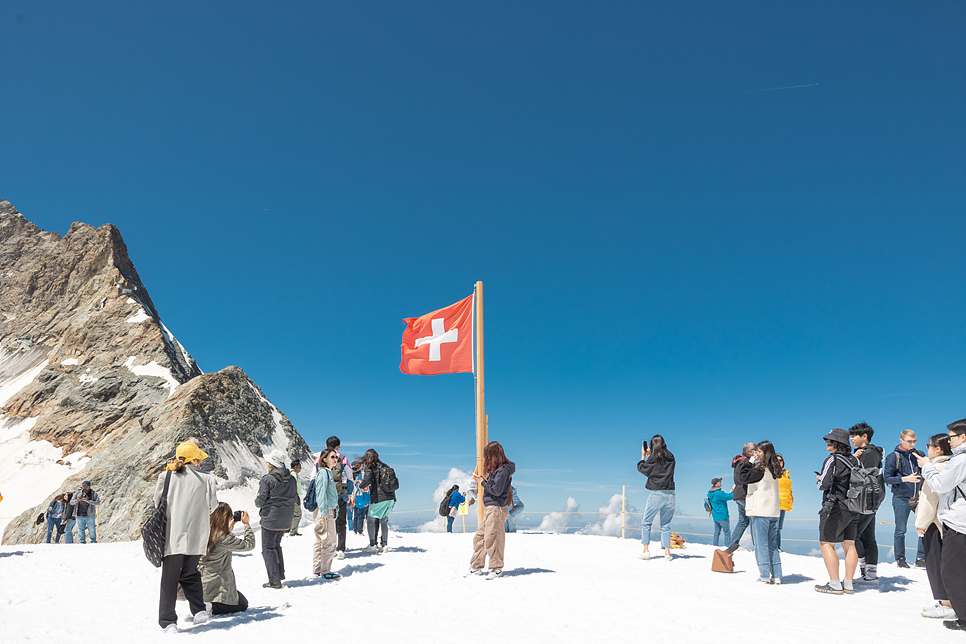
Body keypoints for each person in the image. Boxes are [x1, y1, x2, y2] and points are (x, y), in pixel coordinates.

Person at [155, 440, 219, 633]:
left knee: (170, 579)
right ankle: (199, 610)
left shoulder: (165, 476)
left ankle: (168, 622)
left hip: (173, 535)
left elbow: (158, 502)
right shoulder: (207, 479)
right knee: (190, 573)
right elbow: (213, 506)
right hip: (197, 536)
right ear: (195, 460)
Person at [917, 418, 966, 632]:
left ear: (963, 437)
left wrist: (927, 467)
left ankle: (962, 617)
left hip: (958, 524)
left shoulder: (960, 460)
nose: (951, 441)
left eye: (953, 437)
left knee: (951, 572)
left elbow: (939, 485)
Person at [814, 428, 860, 595]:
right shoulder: (855, 461)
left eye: (830, 440)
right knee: (850, 544)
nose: (827, 442)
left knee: (826, 543)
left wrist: (818, 480)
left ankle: (834, 584)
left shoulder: (832, 459)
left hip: (835, 506)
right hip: (854, 507)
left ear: (838, 443)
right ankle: (848, 583)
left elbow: (823, 485)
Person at [915, 433, 954, 619]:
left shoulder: (934, 468)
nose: (928, 449)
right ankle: (951, 602)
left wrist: (921, 523)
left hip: (933, 523)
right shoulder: (951, 466)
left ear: (937, 449)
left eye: (929, 445)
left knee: (934, 562)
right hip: (949, 523)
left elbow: (929, 500)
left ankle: (945, 604)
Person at [467, 441, 515, 579]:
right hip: (491, 508)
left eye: (488, 456)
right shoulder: (498, 471)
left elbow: (497, 491)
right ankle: (476, 566)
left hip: (496, 508)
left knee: (493, 538)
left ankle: (496, 567)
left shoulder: (503, 471)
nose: (487, 459)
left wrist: (482, 482)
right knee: (480, 537)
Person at [197, 503, 254, 616]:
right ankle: (209, 607)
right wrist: (246, 524)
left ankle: (201, 602)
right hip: (217, 585)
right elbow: (249, 544)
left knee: (238, 598)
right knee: (242, 604)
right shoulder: (224, 538)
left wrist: (228, 529)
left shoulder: (202, 532)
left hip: (201, 582)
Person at [254, 449, 296, 589]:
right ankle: (279, 574)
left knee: (268, 548)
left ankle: (274, 580)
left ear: (271, 464)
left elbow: (260, 501)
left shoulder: (268, 479)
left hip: (270, 519)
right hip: (286, 519)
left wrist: (257, 501)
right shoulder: (292, 479)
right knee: (276, 546)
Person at [849, 422, 885, 584]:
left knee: (853, 535)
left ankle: (866, 569)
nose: (851, 439)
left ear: (865, 437)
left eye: (854, 436)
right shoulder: (868, 452)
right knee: (867, 536)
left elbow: (863, 477)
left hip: (864, 500)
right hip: (869, 500)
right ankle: (870, 575)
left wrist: (851, 461)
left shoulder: (869, 453)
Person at [884, 429, 926, 568]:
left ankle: (921, 558)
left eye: (914, 441)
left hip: (919, 498)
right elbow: (887, 478)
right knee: (900, 530)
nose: (912, 444)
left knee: (924, 527)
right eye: (909, 441)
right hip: (901, 498)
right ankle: (900, 559)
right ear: (901, 440)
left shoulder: (920, 455)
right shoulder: (893, 457)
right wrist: (905, 479)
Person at [744, 441, 783, 584]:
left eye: (759, 451)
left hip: (760, 510)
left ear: (764, 453)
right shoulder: (775, 469)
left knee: (760, 545)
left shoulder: (760, 470)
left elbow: (743, 477)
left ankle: (765, 575)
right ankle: (777, 575)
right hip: (773, 511)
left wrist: (750, 462)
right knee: (772, 545)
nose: (756, 454)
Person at [638, 435, 676, 561]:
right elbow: (660, 467)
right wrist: (651, 456)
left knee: (646, 523)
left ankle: (645, 551)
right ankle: (667, 554)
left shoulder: (653, 458)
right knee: (665, 525)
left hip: (656, 494)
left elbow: (644, 469)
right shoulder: (671, 456)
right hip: (670, 494)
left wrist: (644, 456)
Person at [359, 449, 397, 553]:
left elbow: (366, 480)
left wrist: (360, 486)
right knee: (384, 520)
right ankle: (384, 546)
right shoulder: (385, 465)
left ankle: (372, 545)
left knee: (370, 519)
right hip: (391, 498)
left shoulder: (370, 467)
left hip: (380, 498)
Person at [312, 449, 341, 579]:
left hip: (325, 510)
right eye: (332, 457)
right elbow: (321, 493)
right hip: (325, 511)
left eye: (336, 457)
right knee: (330, 541)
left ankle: (318, 569)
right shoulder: (324, 473)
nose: (335, 459)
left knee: (320, 539)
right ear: (324, 459)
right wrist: (324, 511)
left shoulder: (325, 472)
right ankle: (325, 571)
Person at [725, 443, 758, 553]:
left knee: (743, 520)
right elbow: (745, 478)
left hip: (738, 494)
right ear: (750, 452)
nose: (757, 453)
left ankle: (733, 543)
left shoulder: (738, 462)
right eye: (755, 450)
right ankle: (758, 546)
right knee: (754, 519)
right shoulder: (746, 462)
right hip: (745, 494)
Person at [326, 436, 352, 559]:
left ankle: (327, 548)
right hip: (340, 495)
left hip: (326, 497)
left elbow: (313, 477)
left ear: (326, 446)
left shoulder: (321, 459)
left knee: (327, 522)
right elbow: (350, 477)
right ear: (338, 447)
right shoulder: (343, 459)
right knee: (341, 522)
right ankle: (340, 549)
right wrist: (349, 493)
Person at [707, 478, 733, 547]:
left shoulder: (710, 493)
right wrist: (733, 491)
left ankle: (715, 546)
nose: (721, 482)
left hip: (715, 516)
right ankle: (727, 546)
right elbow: (730, 497)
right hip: (723, 516)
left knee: (716, 533)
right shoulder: (718, 493)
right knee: (727, 532)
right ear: (717, 484)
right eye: (719, 481)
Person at [776, 455, 793, 551]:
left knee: (778, 527)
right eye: (776, 460)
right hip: (775, 503)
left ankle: (777, 547)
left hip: (783, 503)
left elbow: (788, 489)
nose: (779, 462)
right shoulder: (772, 473)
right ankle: (774, 547)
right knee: (774, 527)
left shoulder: (785, 474)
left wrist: (790, 500)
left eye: (781, 460)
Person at [350, 467, 369, 535]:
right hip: (363, 502)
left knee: (356, 516)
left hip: (355, 501)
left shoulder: (355, 482)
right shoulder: (363, 483)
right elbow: (365, 493)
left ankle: (355, 530)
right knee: (361, 517)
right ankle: (360, 531)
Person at [289, 460, 303, 536]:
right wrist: (295, 496)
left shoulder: (293, 474)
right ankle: (292, 531)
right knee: (298, 514)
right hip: (294, 497)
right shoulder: (293, 474)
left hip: (294, 497)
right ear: (295, 467)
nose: (300, 469)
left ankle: (293, 529)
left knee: (294, 514)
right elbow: (293, 486)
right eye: (299, 467)